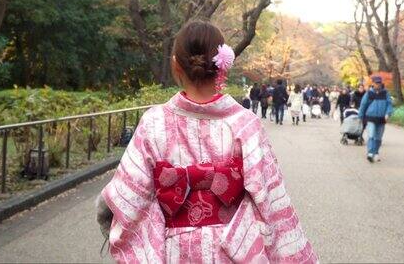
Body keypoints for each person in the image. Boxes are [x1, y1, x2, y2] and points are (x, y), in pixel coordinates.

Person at [95, 21, 316, 263]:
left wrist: (110, 216)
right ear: (223, 66)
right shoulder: (246, 123)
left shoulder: (154, 123)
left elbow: (128, 196)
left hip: (173, 251)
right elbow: (270, 199)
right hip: (234, 248)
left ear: (176, 65)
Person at [359, 76, 393, 163]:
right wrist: (360, 117)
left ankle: (376, 152)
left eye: (379, 82)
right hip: (371, 118)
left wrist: (388, 113)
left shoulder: (385, 93)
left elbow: (389, 104)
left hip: (382, 119)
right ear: (373, 83)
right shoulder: (369, 93)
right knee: (371, 135)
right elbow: (363, 105)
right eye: (376, 82)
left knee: (378, 138)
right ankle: (370, 153)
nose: (378, 84)